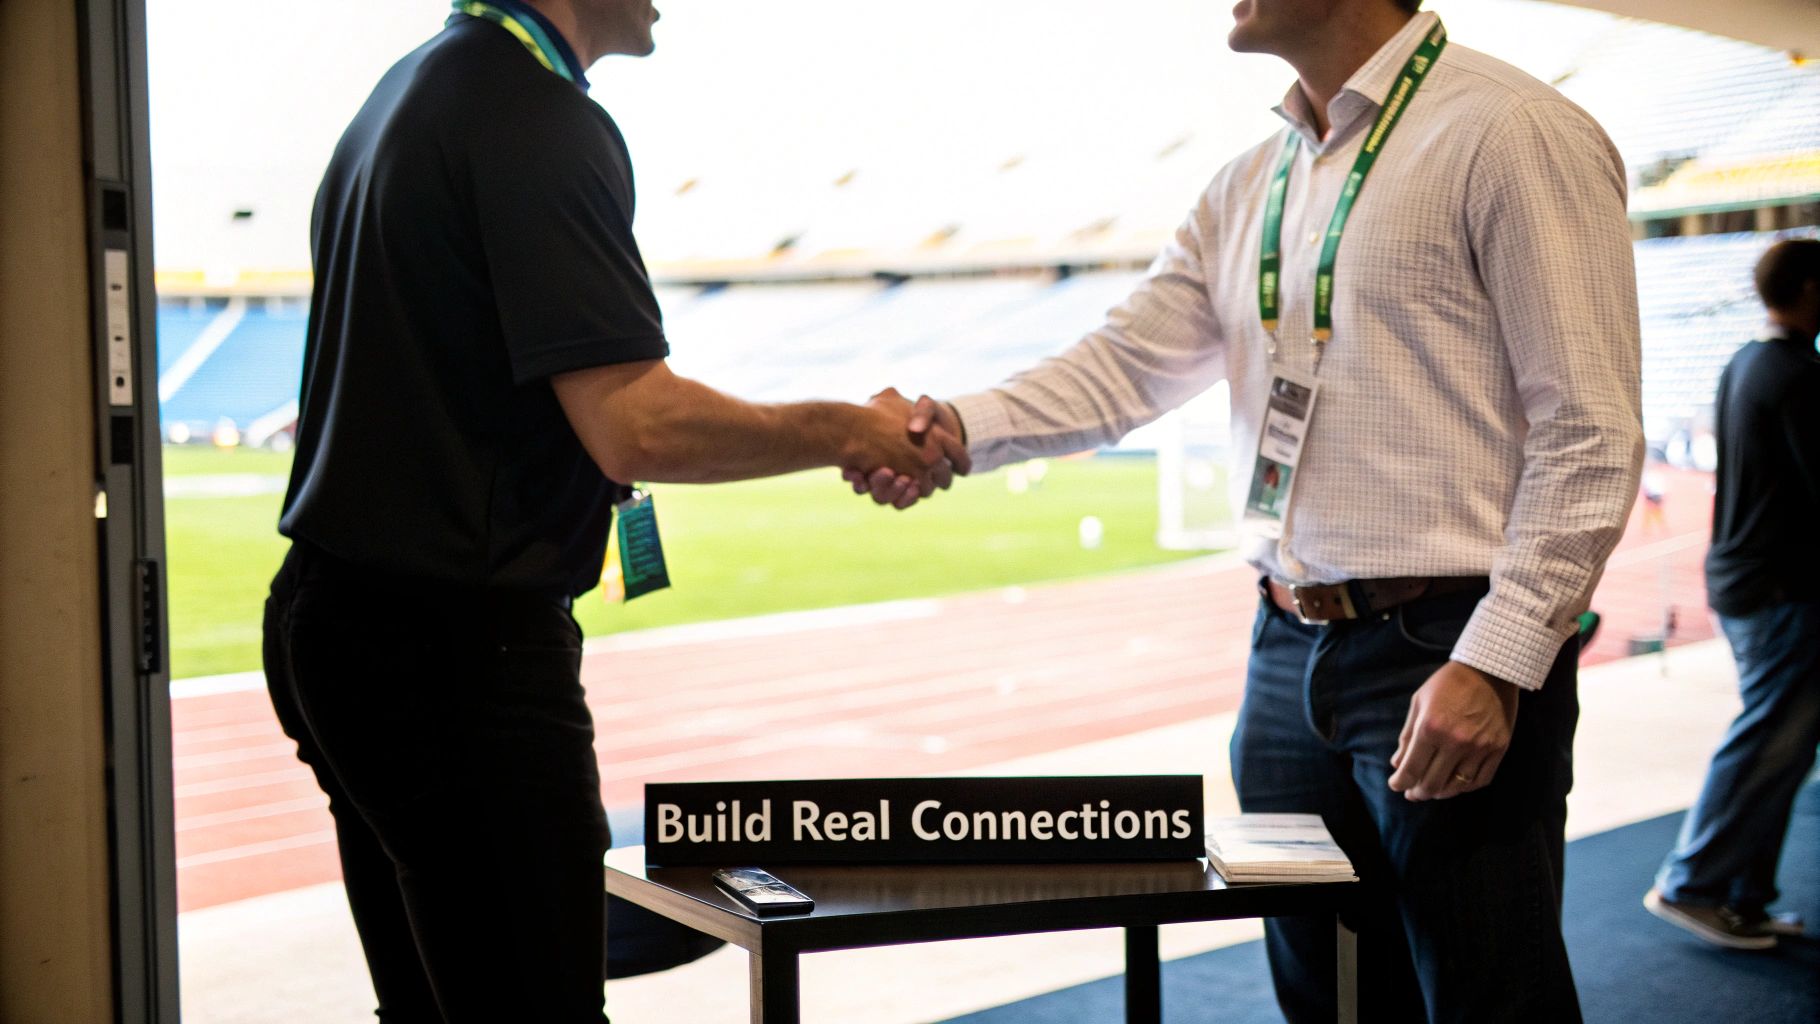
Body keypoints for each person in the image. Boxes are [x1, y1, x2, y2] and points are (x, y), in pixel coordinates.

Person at [854, 0, 1642, 1019]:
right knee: (1327, 994)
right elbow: (1124, 367)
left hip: (1442, 646)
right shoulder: (1248, 182)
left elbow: (1588, 426)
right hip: (1283, 653)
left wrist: (1494, 659)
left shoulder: (1510, 130)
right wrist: (950, 424)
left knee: (1491, 993)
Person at [265, 1, 964, 1020]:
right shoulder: (534, 113)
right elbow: (634, 424)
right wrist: (841, 429)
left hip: (340, 617)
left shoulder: (407, 94)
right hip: (456, 652)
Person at [1646, 237, 1820, 950]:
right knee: (1768, 738)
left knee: (1781, 740)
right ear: (1809, 289)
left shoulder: (1745, 361)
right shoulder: (1800, 375)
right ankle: (1696, 882)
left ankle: (1744, 896)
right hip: (1783, 586)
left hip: (1746, 579)